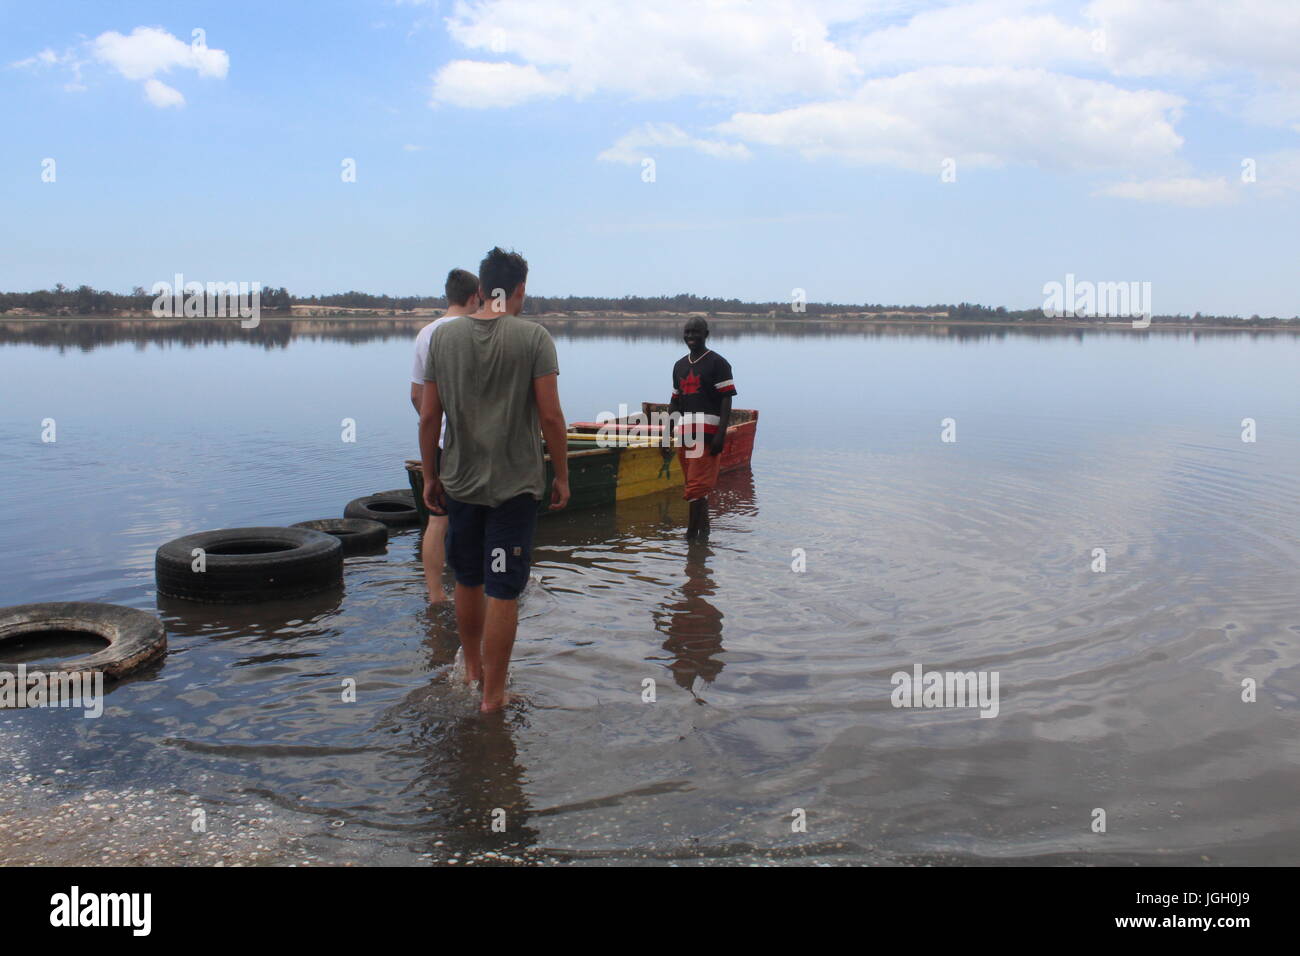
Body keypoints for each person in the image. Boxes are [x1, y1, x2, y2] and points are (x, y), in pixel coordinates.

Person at [418, 247, 570, 714]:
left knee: (467, 579)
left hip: (460, 483)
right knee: (503, 587)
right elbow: (550, 415)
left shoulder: (443, 340)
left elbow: (428, 418)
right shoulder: (534, 338)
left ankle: (471, 673)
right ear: (519, 290)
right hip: (514, 489)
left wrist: (430, 476)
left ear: (481, 290)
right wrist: (561, 475)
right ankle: (493, 697)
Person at [410, 268, 481, 604]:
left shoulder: (426, 333)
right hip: (476, 445)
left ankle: (436, 595)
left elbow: (416, 396)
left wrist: (434, 426)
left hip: (437, 443)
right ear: (474, 296)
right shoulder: (479, 330)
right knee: (481, 517)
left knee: (438, 520)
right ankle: (480, 591)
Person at [663, 317, 736, 539]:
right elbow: (675, 400)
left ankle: (690, 536)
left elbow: (726, 400)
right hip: (685, 433)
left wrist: (720, 435)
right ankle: (702, 538)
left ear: (706, 334)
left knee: (695, 487)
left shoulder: (718, 363)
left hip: (707, 434)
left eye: (696, 332)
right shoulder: (679, 365)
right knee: (696, 488)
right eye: (687, 332)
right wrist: (667, 434)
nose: (691, 336)